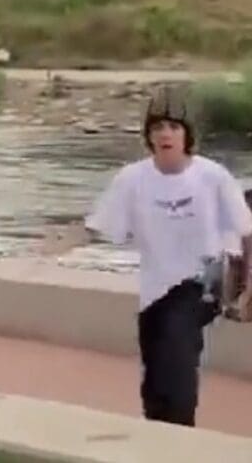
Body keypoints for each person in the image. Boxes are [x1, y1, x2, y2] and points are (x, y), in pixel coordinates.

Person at [44, 85, 252, 427]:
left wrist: (245, 290)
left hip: (202, 283)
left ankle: (180, 441)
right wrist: (61, 242)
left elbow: (246, 230)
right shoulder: (133, 179)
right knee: (155, 381)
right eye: (157, 128)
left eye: (173, 127)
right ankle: (157, 438)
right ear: (148, 136)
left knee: (177, 359)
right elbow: (98, 225)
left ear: (187, 135)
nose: (165, 135)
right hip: (155, 290)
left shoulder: (213, 177)